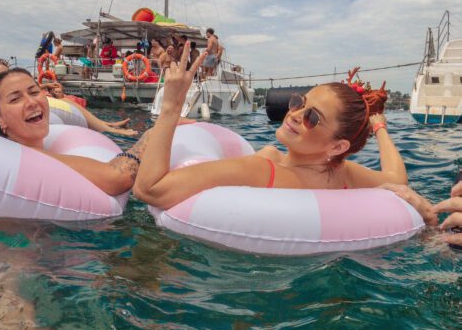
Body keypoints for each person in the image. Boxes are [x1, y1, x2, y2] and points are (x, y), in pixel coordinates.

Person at [134, 44, 409, 210]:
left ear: (338, 146)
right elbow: (397, 179)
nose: (295, 114)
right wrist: (380, 127)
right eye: (299, 101)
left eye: (312, 117)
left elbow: (151, 190)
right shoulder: (343, 173)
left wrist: (170, 109)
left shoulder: (264, 167)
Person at [0, 68, 152, 195]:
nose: (31, 102)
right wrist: (150, 137)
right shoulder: (23, 156)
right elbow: (118, 178)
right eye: (15, 99)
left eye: (34, 92)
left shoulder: (8, 146)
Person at [43, 81, 133, 132]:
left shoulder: (66, 99)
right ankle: (113, 128)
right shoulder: (60, 101)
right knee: (93, 119)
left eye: (60, 92)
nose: (58, 93)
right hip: (70, 115)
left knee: (96, 119)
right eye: (56, 92)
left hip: (73, 113)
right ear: (52, 93)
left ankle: (113, 125)